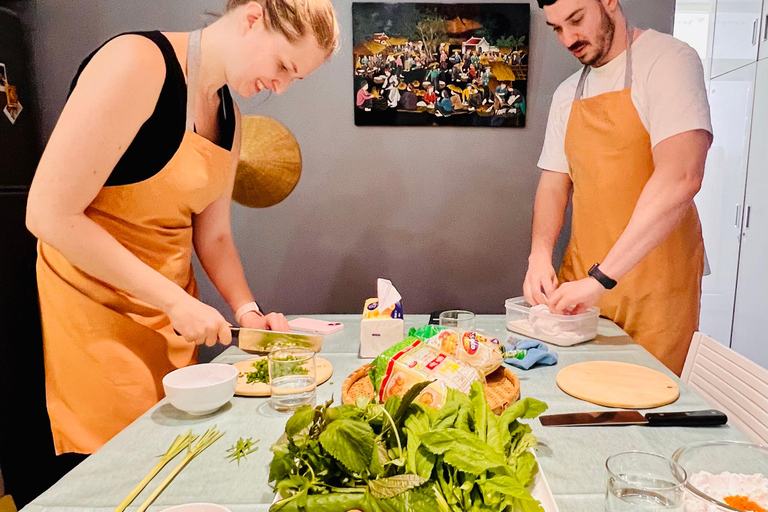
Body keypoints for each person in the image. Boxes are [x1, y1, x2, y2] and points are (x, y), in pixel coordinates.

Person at [26, 0, 339, 456]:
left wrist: (248, 313)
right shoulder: (136, 63)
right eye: (283, 66)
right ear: (253, 19)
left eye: (295, 78)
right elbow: (49, 214)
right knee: (119, 470)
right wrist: (172, 301)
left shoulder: (228, 116)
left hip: (171, 323)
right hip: (98, 319)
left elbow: (213, 236)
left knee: (168, 458)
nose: (282, 87)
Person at [524, 0, 712, 374]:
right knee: (580, 402)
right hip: (582, 285)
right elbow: (553, 183)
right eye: (557, 28)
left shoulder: (667, 61)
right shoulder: (567, 95)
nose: (568, 39)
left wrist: (603, 277)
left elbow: (682, 176)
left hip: (655, 287)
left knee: (645, 409)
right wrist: (539, 255)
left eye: (576, 20)